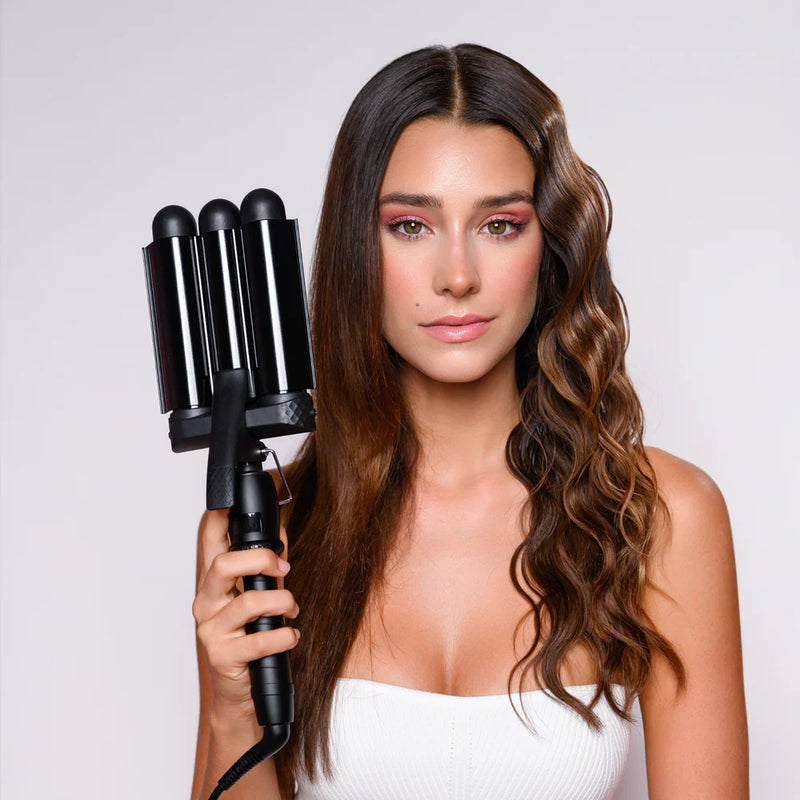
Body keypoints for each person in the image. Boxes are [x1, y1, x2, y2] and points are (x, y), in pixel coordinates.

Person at [190, 43, 749, 800]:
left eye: (500, 225)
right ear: (359, 245)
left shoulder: (659, 518)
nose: (458, 276)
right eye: (412, 226)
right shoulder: (270, 529)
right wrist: (231, 711)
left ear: (547, 242)